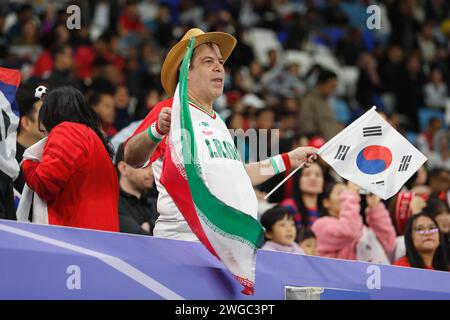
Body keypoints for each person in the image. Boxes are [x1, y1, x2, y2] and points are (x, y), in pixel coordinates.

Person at [124, 28, 318, 241]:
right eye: (208, 61)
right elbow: (132, 157)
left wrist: (289, 159)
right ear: (186, 72)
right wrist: (156, 130)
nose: (219, 68)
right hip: (186, 245)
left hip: (225, 248)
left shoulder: (218, 122)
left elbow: (240, 175)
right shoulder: (172, 109)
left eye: (221, 62)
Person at [21, 86, 119, 231]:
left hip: (74, 239)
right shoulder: (95, 139)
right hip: (100, 238)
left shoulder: (67, 131)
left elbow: (44, 185)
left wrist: (29, 162)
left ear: (50, 113)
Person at [312, 181, 396, 263]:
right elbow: (349, 231)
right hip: (338, 275)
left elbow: (389, 244)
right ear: (326, 202)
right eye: (340, 193)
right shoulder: (320, 226)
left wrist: (375, 208)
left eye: (347, 193)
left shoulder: (359, 226)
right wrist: (350, 194)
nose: (345, 196)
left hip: (368, 275)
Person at [115, 143, 158, 235]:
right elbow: (137, 238)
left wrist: (150, 225)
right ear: (123, 168)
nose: (152, 173)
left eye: (153, 166)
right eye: (145, 166)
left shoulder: (156, 204)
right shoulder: (113, 204)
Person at [14, 84, 46, 195]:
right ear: (26, 123)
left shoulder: (46, 156)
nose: (49, 119)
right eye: (42, 114)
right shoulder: (10, 162)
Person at [298, 69, 341, 141]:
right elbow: (307, 128)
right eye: (331, 86)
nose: (333, 90)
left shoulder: (326, 101)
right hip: (321, 147)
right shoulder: (309, 100)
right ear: (321, 84)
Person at [281, 162, 325, 228]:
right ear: (297, 179)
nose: (313, 178)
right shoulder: (288, 207)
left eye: (318, 175)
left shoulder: (328, 209)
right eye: (307, 174)